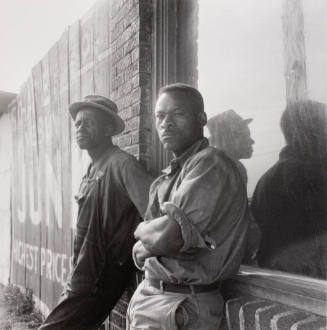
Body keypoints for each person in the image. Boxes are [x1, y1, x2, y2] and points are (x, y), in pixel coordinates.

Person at [127, 83, 249, 329]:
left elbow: (165, 239)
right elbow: (143, 249)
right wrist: (147, 237)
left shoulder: (211, 164)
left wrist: (143, 232)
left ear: (201, 118)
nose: (166, 123)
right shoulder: (170, 175)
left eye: (178, 114)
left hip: (180, 306)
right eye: (160, 116)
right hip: (154, 297)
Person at [39, 95, 153, 329]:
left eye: (88, 122)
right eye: (78, 123)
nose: (80, 127)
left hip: (100, 280)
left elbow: (155, 214)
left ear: (108, 128)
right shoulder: (93, 167)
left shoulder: (122, 164)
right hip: (82, 275)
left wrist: (139, 257)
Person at [251, 100, 327, 279]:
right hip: (313, 285)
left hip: (282, 281)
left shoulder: (267, 178)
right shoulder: (311, 175)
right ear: (308, 133)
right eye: (324, 128)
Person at [207, 109, 254, 183]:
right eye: (244, 136)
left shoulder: (212, 166)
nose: (252, 142)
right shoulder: (232, 169)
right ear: (225, 139)